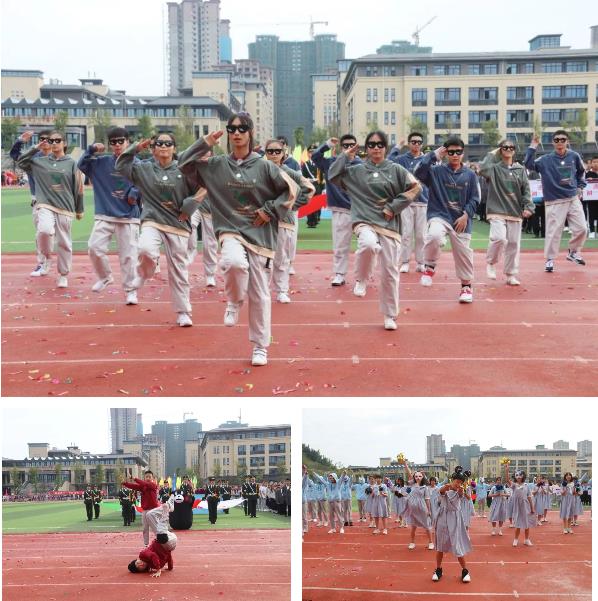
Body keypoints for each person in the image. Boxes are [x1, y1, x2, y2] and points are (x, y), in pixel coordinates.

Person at [177, 112, 299, 366]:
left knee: (260, 293)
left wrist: (269, 210)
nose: (236, 133)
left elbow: (292, 191)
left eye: (242, 128)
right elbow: (183, 163)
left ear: (250, 132)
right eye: (231, 129)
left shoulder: (265, 166)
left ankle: (260, 346)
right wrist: (205, 143)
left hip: (260, 236)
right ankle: (233, 300)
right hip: (230, 229)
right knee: (233, 263)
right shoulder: (216, 165)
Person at [328, 130, 421, 330]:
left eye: (380, 145)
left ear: (385, 147)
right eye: (371, 145)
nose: (376, 148)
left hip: (389, 226)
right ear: (366, 148)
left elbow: (416, 188)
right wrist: (345, 156)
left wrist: (393, 207)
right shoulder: (356, 171)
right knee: (368, 244)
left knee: (390, 272)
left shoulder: (396, 169)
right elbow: (332, 175)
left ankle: (390, 315)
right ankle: (361, 279)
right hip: (364, 220)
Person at [115, 133, 195, 327]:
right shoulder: (144, 168)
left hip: (178, 224)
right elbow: (121, 165)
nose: (164, 146)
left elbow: (202, 187)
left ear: (174, 148)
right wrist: (135, 148)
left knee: (178, 270)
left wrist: (190, 207)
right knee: (145, 249)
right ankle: (143, 274)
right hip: (153, 220)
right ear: (153, 149)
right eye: (159, 143)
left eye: (168, 143)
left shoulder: (184, 169)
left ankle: (183, 312)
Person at [78, 127, 141, 305]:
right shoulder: (101, 162)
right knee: (94, 248)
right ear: (109, 144)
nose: (117, 145)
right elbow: (81, 165)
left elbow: (146, 182)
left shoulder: (137, 163)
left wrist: (135, 192)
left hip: (128, 216)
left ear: (127, 142)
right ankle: (105, 277)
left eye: (121, 141)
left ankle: (131, 291)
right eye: (113, 142)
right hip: (104, 214)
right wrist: (91, 150)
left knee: (128, 256)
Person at [415, 137, 480, 303]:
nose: (455, 155)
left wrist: (466, 215)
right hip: (440, 215)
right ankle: (429, 266)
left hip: (461, 219)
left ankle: (466, 287)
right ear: (446, 153)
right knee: (434, 235)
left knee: (463, 254)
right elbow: (419, 172)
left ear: (463, 153)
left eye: (458, 152)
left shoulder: (470, 175)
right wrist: (434, 155)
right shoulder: (436, 171)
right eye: (451, 152)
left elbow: (475, 198)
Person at [16, 130, 84, 288]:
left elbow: (78, 187)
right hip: (44, 205)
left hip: (65, 208)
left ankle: (63, 275)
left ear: (64, 143)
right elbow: (21, 162)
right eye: (51, 141)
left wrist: (79, 209)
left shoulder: (72, 163)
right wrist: (35, 148)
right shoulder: (40, 162)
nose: (54, 143)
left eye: (57, 140)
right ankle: (47, 257)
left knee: (64, 243)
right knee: (44, 230)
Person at [524, 130, 587, 272]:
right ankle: (550, 259)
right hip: (554, 200)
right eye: (557, 140)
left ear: (567, 141)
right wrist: (533, 146)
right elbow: (528, 164)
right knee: (553, 232)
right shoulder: (545, 159)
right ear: (553, 142)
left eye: (563, 139)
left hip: (572, 198)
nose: (560, 142)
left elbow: (581, 172)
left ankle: (573, 252)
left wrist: (580, 187)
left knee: (582, 228)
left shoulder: (574, 156)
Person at [263, 138, 315, 303]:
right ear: (265, 153)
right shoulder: (259, 171)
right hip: (262, 222)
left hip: (284, 221)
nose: (273, 154)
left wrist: (291, 206)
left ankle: (282, 290)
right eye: (270, 151)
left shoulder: (290, 172)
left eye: (277, 151)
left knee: (281, 258)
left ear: (283, 153)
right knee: (262, 259)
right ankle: (262, 290)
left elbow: (309, 188)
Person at [480, 140, 534, 286]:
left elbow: (526, 189)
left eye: (511, 147)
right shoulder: (494, 168)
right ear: (500, 150)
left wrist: (529, 207)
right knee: (499, 238)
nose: (508, 149)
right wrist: (493, 153)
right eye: (505, 147)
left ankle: (511, 274)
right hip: (496, 210)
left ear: (514, 150)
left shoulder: (520, 169)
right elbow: (482, 169)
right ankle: (491, 262)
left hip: (515, 211)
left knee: (513, 244)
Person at [311, 135, 362, 286]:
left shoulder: (362, 165)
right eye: (345, 145)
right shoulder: (331, 163)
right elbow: (315, 156)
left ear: (356, 147)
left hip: (360, 210)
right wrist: (327, 144)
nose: (349, 148)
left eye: (352, 145)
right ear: (341, 147)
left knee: (367, 245)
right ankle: (340, 274)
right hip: (340, 209)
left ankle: (363, 275)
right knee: (340, 245)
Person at [10, 129, 54, 276]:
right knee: (41, 233)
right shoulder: (32, 159)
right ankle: (42, 263)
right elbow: (15, 155)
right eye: (42, 139)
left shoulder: (59, 158)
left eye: (48, 139)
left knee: (62, 238)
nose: (45, 141)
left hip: (58, 202)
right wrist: (20, 140)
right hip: (39, 201)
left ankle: (63, 270)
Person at [388, 132, 429, 273]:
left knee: (421, 235)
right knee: (406, 234)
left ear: (422, 144)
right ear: (409, 143)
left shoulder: (426, 160)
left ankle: (421, 262)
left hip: (423, 201)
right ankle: (405, 261)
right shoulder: (402, 159)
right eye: (413, 142)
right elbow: (389, 161)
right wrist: (397, 147)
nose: (416, 144)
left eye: (419, 142)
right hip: (406, 201)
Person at [432, 467, 472, 583]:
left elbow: (462, 495)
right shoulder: (445, 489)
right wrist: (448, 486)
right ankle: (438, 569)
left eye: (460, 482)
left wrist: (460, 491)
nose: (458, 484)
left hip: (455, 520)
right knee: (440, 546)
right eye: (457, 481)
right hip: (443, 519)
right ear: (452, 480)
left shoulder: (460, 491)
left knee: (457, 545)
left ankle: (465, 571)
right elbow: (441, 491)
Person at [401, 459, 434, 550]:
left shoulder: (425, 488)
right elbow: (409, 473)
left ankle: (431, 542)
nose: (418, 477)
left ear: (422, 477)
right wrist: (405, 464)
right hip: (413, 510)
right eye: (416, 476)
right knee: (413, 527)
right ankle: (412, 542)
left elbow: (427, 500)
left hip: (422, 509)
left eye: (420, 476)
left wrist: (429, 510)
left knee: (427, 526)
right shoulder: (411, 485)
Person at [123, 470, 160, 546]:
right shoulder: (143, 486)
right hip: (145, 510)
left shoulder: (153, 485)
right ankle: (146, 544)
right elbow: (134, 486)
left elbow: (145, 483)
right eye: (146, 477)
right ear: (144, 478)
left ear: (152, 478)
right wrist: (124, 483)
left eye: (149, 477)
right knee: (145, 528)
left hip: (153, 510)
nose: (148, 478)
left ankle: (160, 541)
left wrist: (133, 478)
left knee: (155, 527)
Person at [504, 465, 535, 547]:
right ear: (515, 476)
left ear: (523, 476)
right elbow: (507, 480)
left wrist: (532, 508)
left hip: (525, 506)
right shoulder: (514, 485)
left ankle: (526, 539)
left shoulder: (526, 486)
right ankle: (516, 539)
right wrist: (506, 471)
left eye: (520, 475)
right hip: (517, 506)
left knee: (526, 523)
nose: (518, 477)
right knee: (517, 523)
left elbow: (529, 497)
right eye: (517, 475)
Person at [302, 144, 323, 227]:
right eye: (310, 152)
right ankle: (310, 222)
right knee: (309, 204)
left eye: (314, 152)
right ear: (308, 153)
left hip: (318, 186)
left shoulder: (320, 164)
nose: (312, 154)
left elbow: (322, 176)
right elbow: (303, 176)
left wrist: (323, 187)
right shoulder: (305, 164)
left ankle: (316, 217)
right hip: (309, 186)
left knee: (317, 204)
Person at [585, 156, 598, 239]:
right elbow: (583, 184)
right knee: (591, 214)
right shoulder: (587, 174)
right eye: (594, 162)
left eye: (597, 162)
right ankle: (592, 231)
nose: (596, 164)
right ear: (591, 164)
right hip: (591, 199)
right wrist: (588, 180)